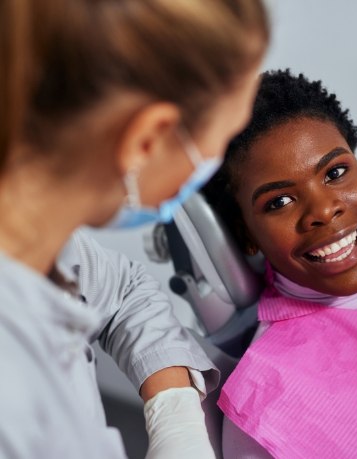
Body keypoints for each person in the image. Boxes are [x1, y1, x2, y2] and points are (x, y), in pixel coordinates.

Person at [0, 1, 269, 458]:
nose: (211, 165)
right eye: (221, 142)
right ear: (147, 140)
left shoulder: (42, 236)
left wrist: (175, 412)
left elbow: (123, 290)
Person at [203, 69, 357, 458]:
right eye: (279, 202)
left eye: (335, 173)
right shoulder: (269, 409)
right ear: (247, 233)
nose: (323, 210)